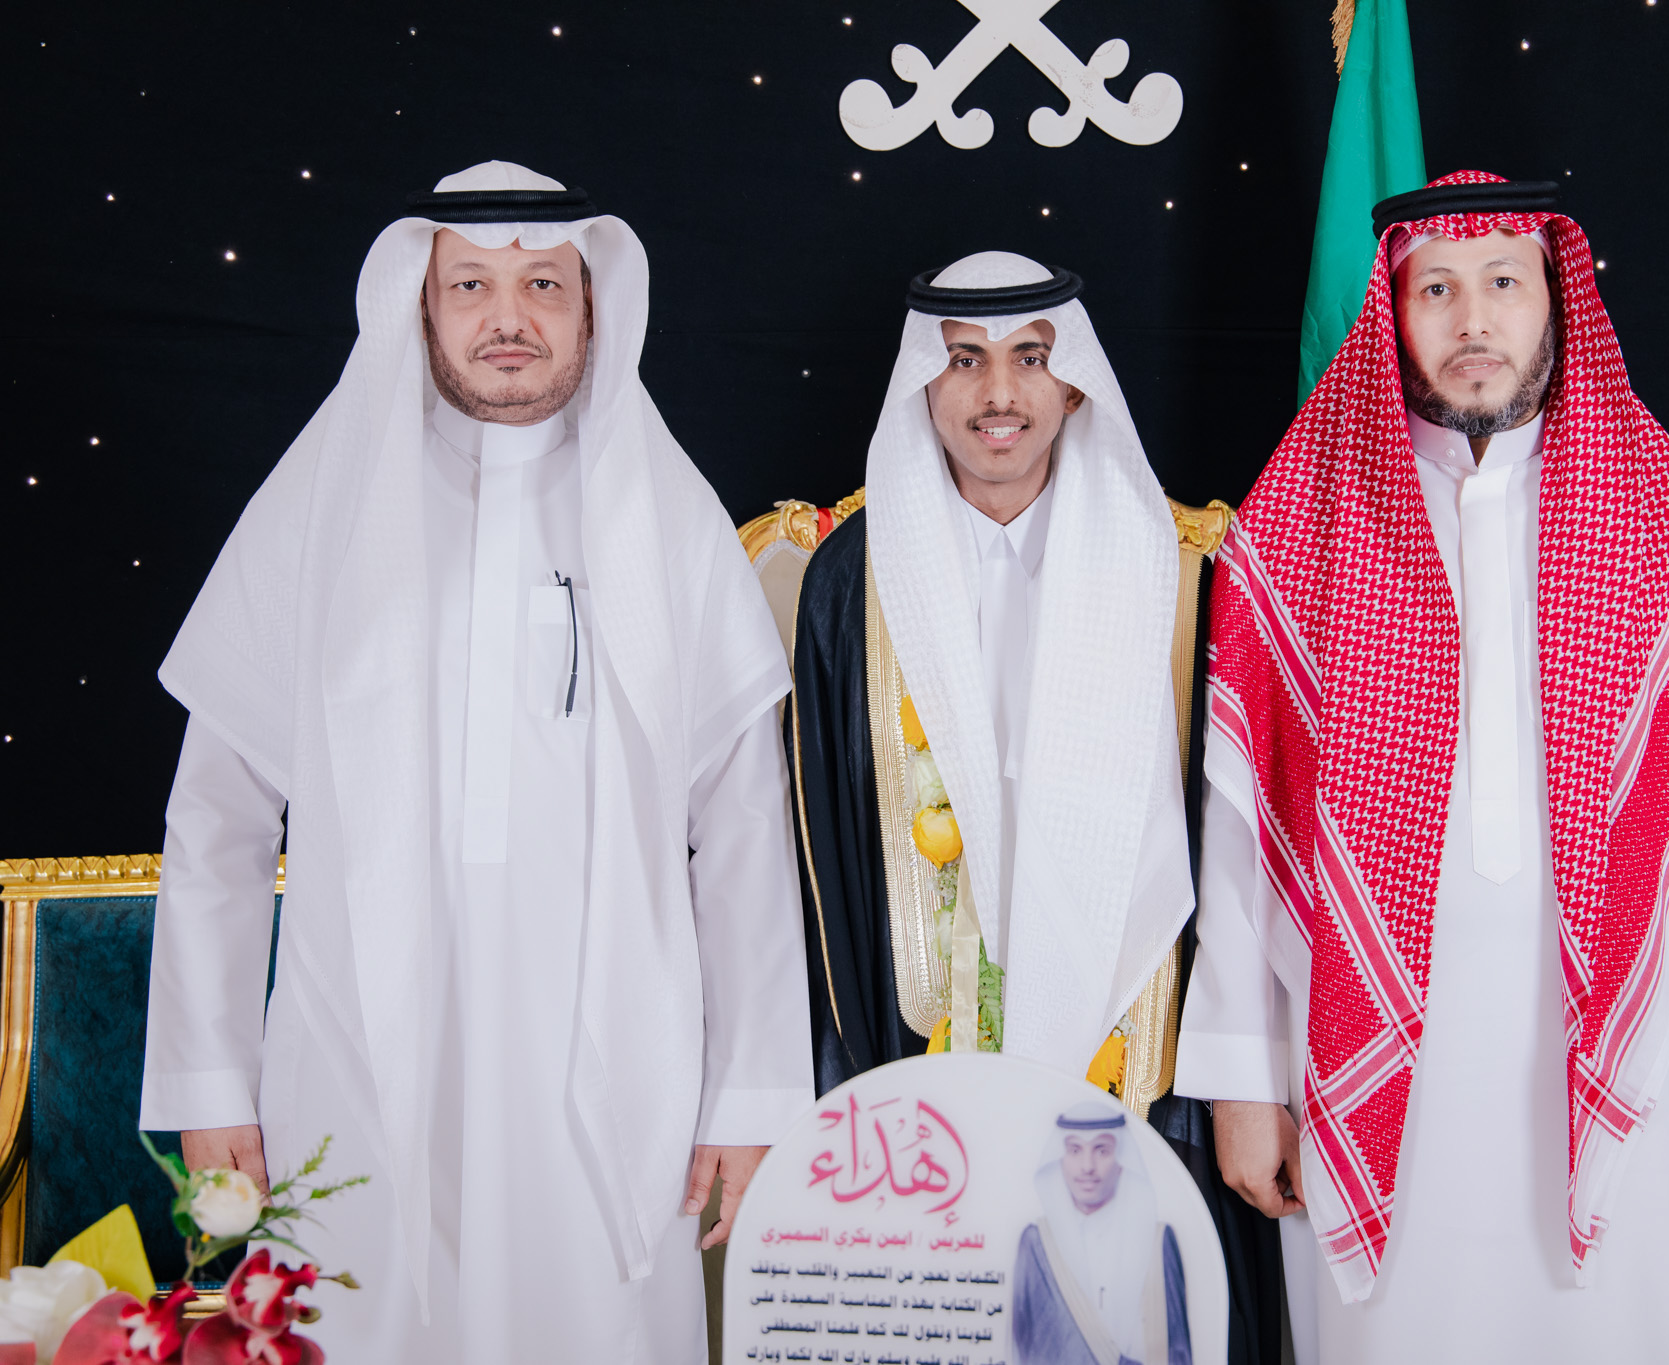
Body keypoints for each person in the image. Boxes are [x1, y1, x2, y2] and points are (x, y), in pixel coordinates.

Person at [139, 161, 813, 1363]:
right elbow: (216, 824)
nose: (509, 317)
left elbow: (746, 835)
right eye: (471, 286)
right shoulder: (319, 509)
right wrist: (208, 1083)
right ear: (420, 303)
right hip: (355, 1054)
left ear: (592, 308)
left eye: (543, 283)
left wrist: (750, 1092)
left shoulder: (667, 519)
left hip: (612, 1061)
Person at [1175, 171, 1669, 1362]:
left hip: (1631, 1077)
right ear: (1391, 316)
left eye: (1501, 283)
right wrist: (1240, 1079)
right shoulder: (1301, 530)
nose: (1471, 320)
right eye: (1434, 289)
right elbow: (1243, 832)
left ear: (1555, 302)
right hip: (1364, 1074)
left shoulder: (1666, 526)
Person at [785, 251, 1283, 1360]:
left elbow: (1240, 852)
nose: (998, 393)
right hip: (919, 1068)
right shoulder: (852, 580)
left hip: (1146, 1073)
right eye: (964, 360)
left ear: (1075, 383)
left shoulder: (1180, 570)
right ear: (924, 383)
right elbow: (827, 869)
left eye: (1030, 358)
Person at [1014, 1105, 1191, 1365]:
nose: (1087, 1167)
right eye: (1075, 1150)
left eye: (1102, 1150)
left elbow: (1179, 1350)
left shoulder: (1157, 1242)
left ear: (1121, 1160)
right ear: (1060, 1159)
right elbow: (1020, 1346)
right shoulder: (1036, 1242)